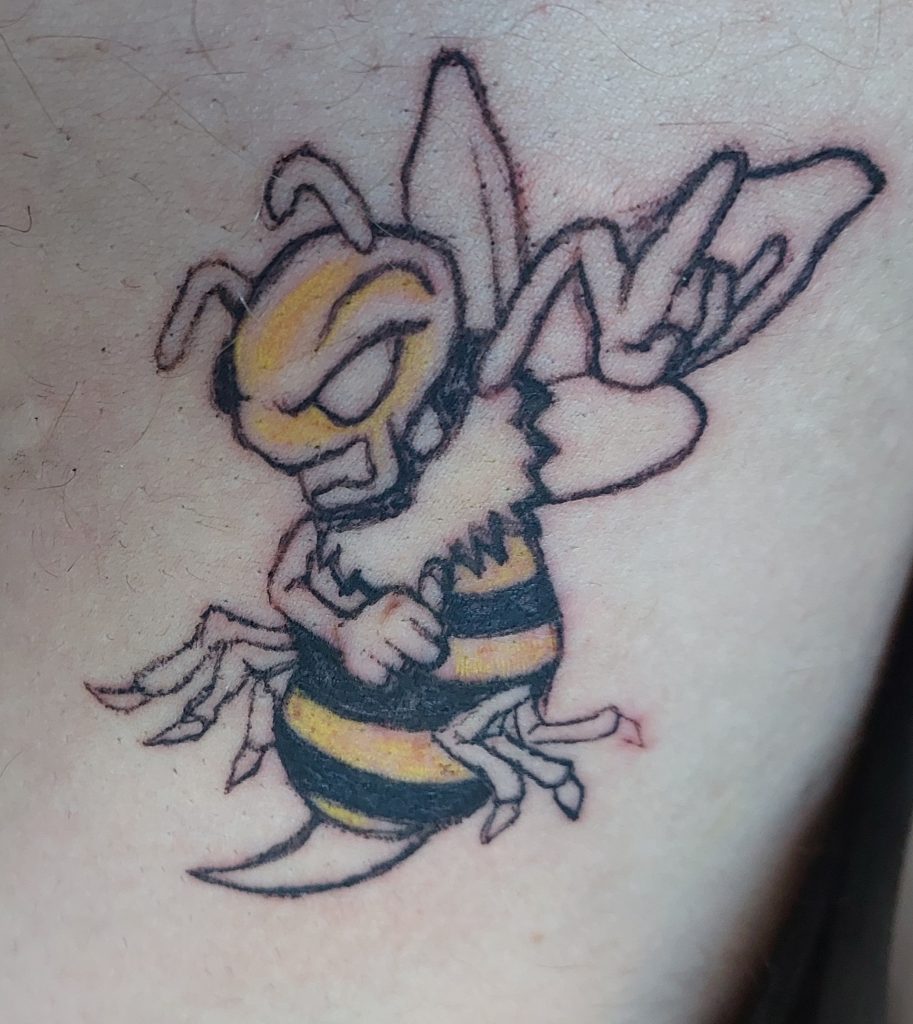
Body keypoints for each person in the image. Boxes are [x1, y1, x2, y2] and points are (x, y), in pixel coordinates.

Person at [1, 3, 911, 1021]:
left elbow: (639, 393)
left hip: (459, 754)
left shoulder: (505, 411)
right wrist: (349, 626)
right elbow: (292, 582)